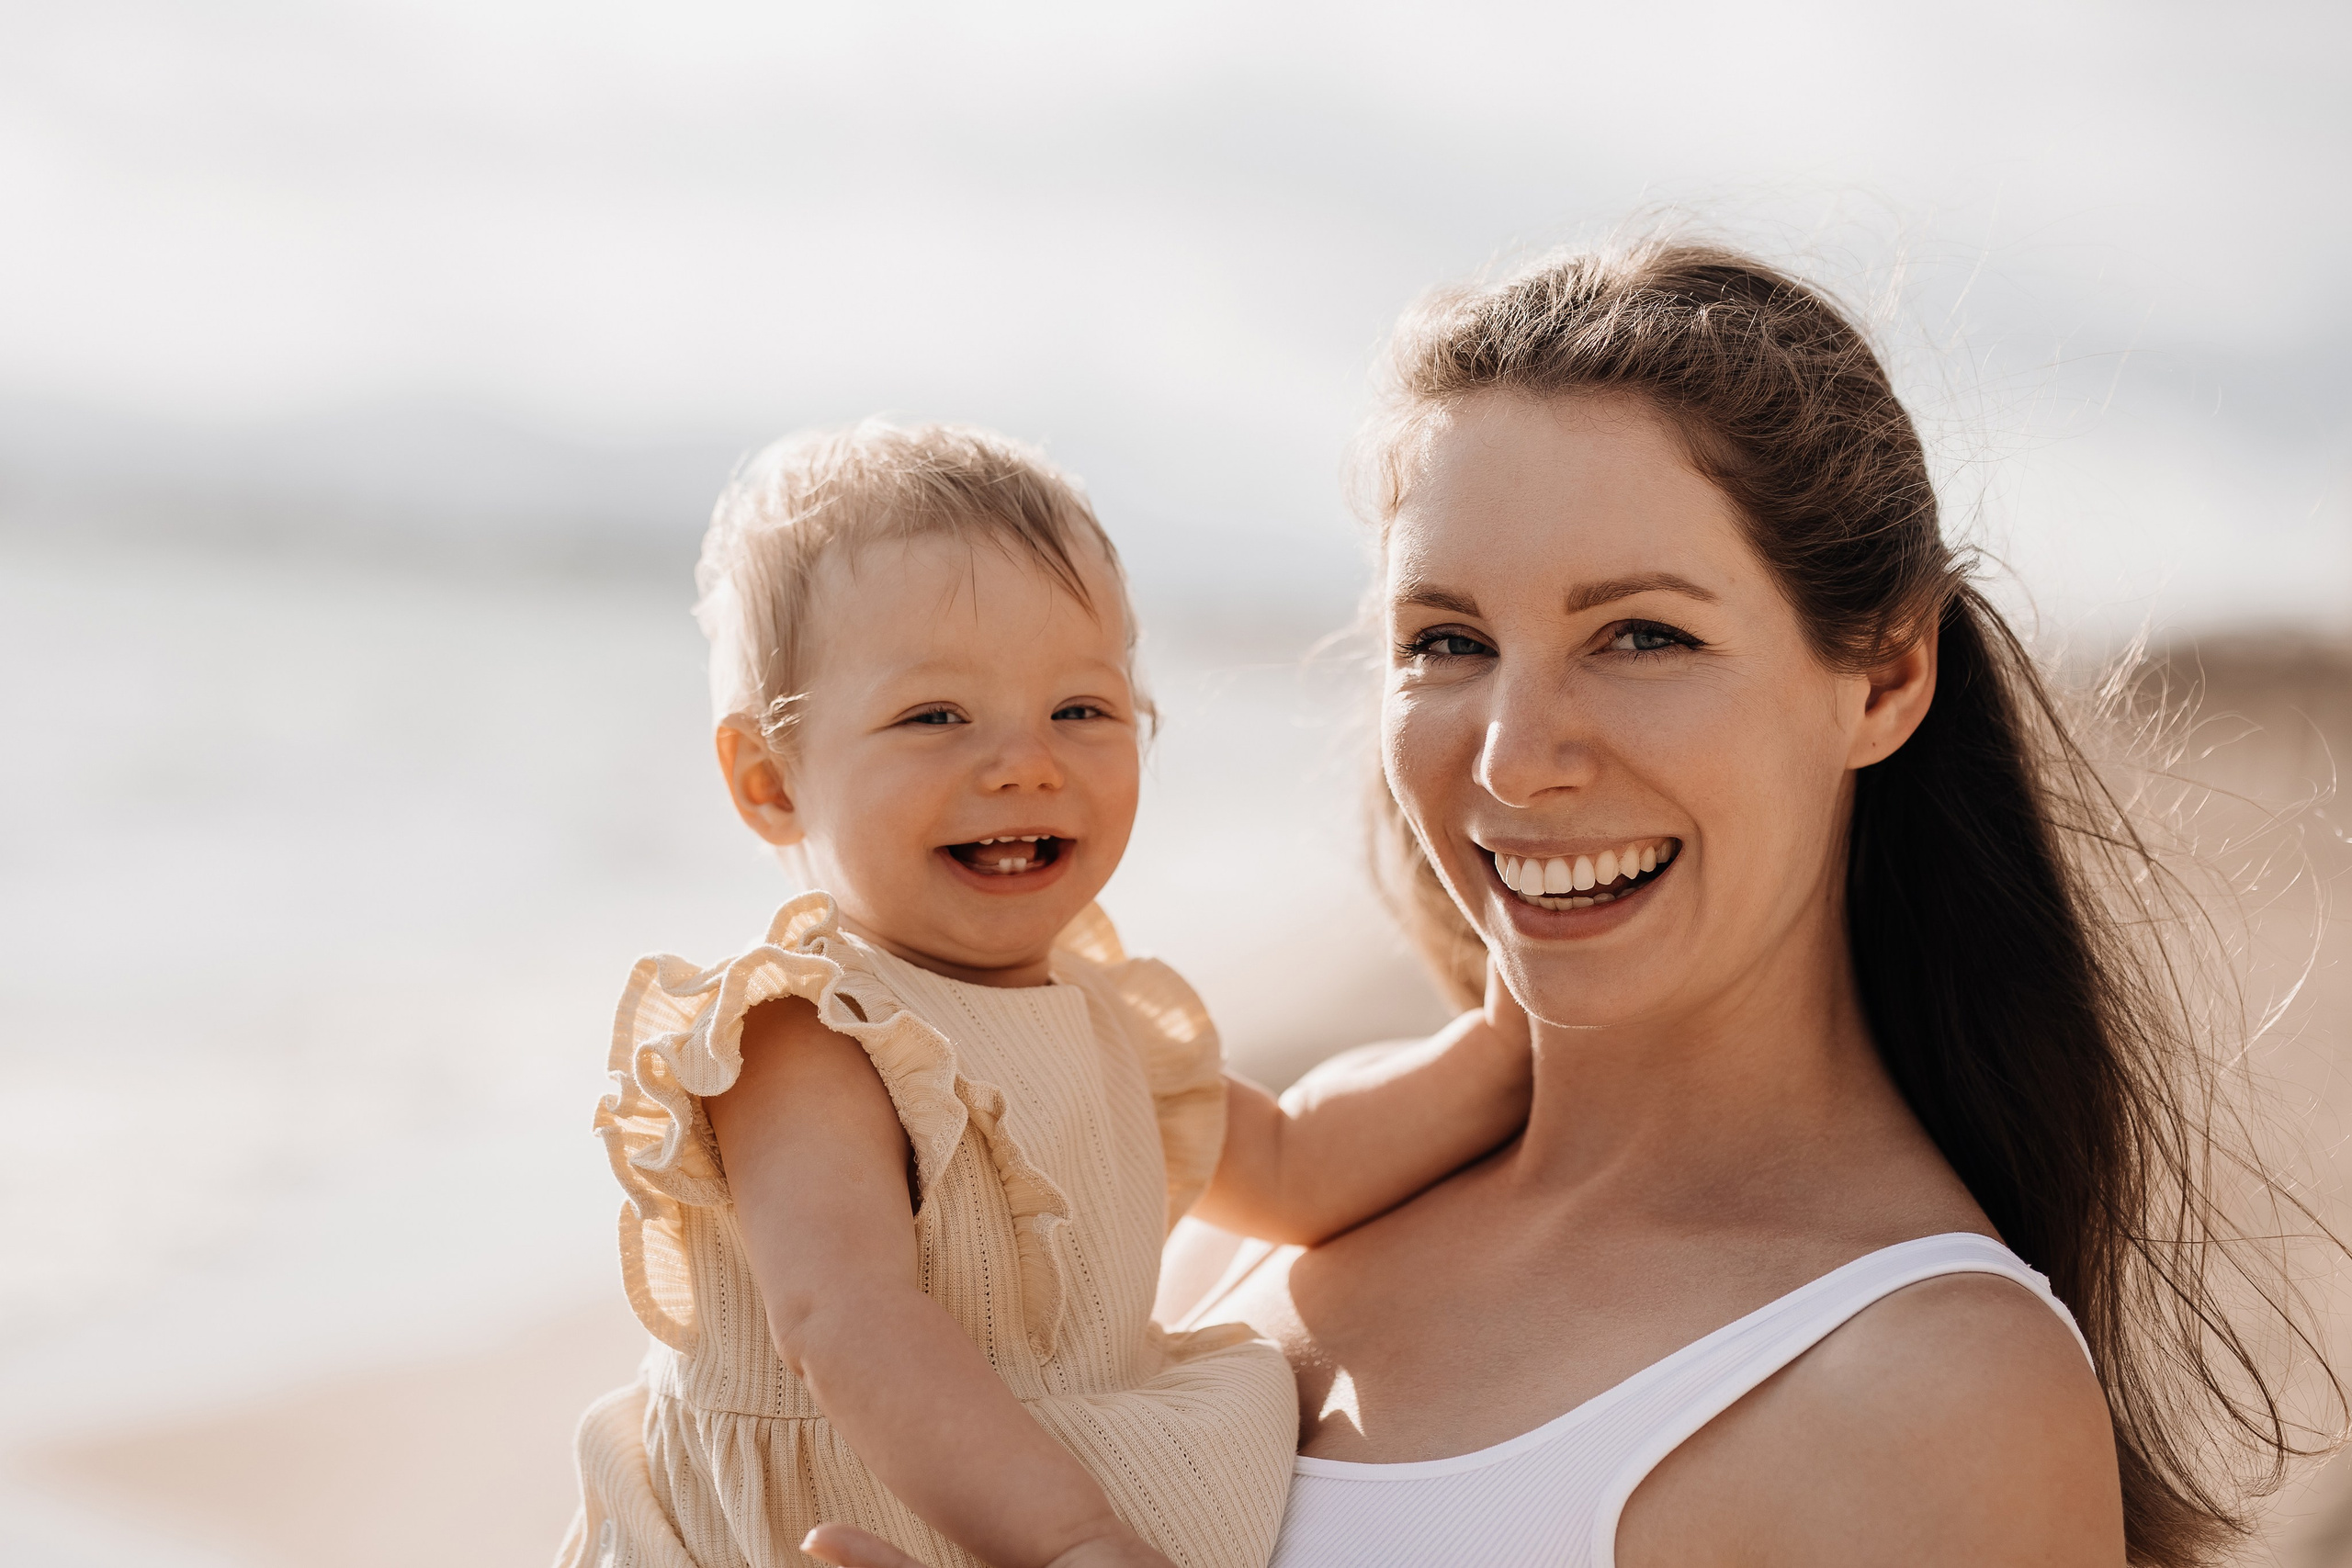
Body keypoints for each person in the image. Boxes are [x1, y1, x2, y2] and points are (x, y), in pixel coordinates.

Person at [811, 243, 2336, 1568]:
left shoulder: (1929, 1389)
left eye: (1642, 636)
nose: (1515, 755)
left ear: (1883, 675)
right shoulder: (1272, 1216)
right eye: (1450, 638)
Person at [556, 422, 1532, 1568]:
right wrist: (1072, 1543)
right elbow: (847, 1324)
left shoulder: (1096, 1014)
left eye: (1081, 709)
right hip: (842, 1519)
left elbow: (1290, 1166)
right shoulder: (806, 1034)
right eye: (935, 717)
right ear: (769, 782)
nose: (1025, 762)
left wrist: (1511, 1048)